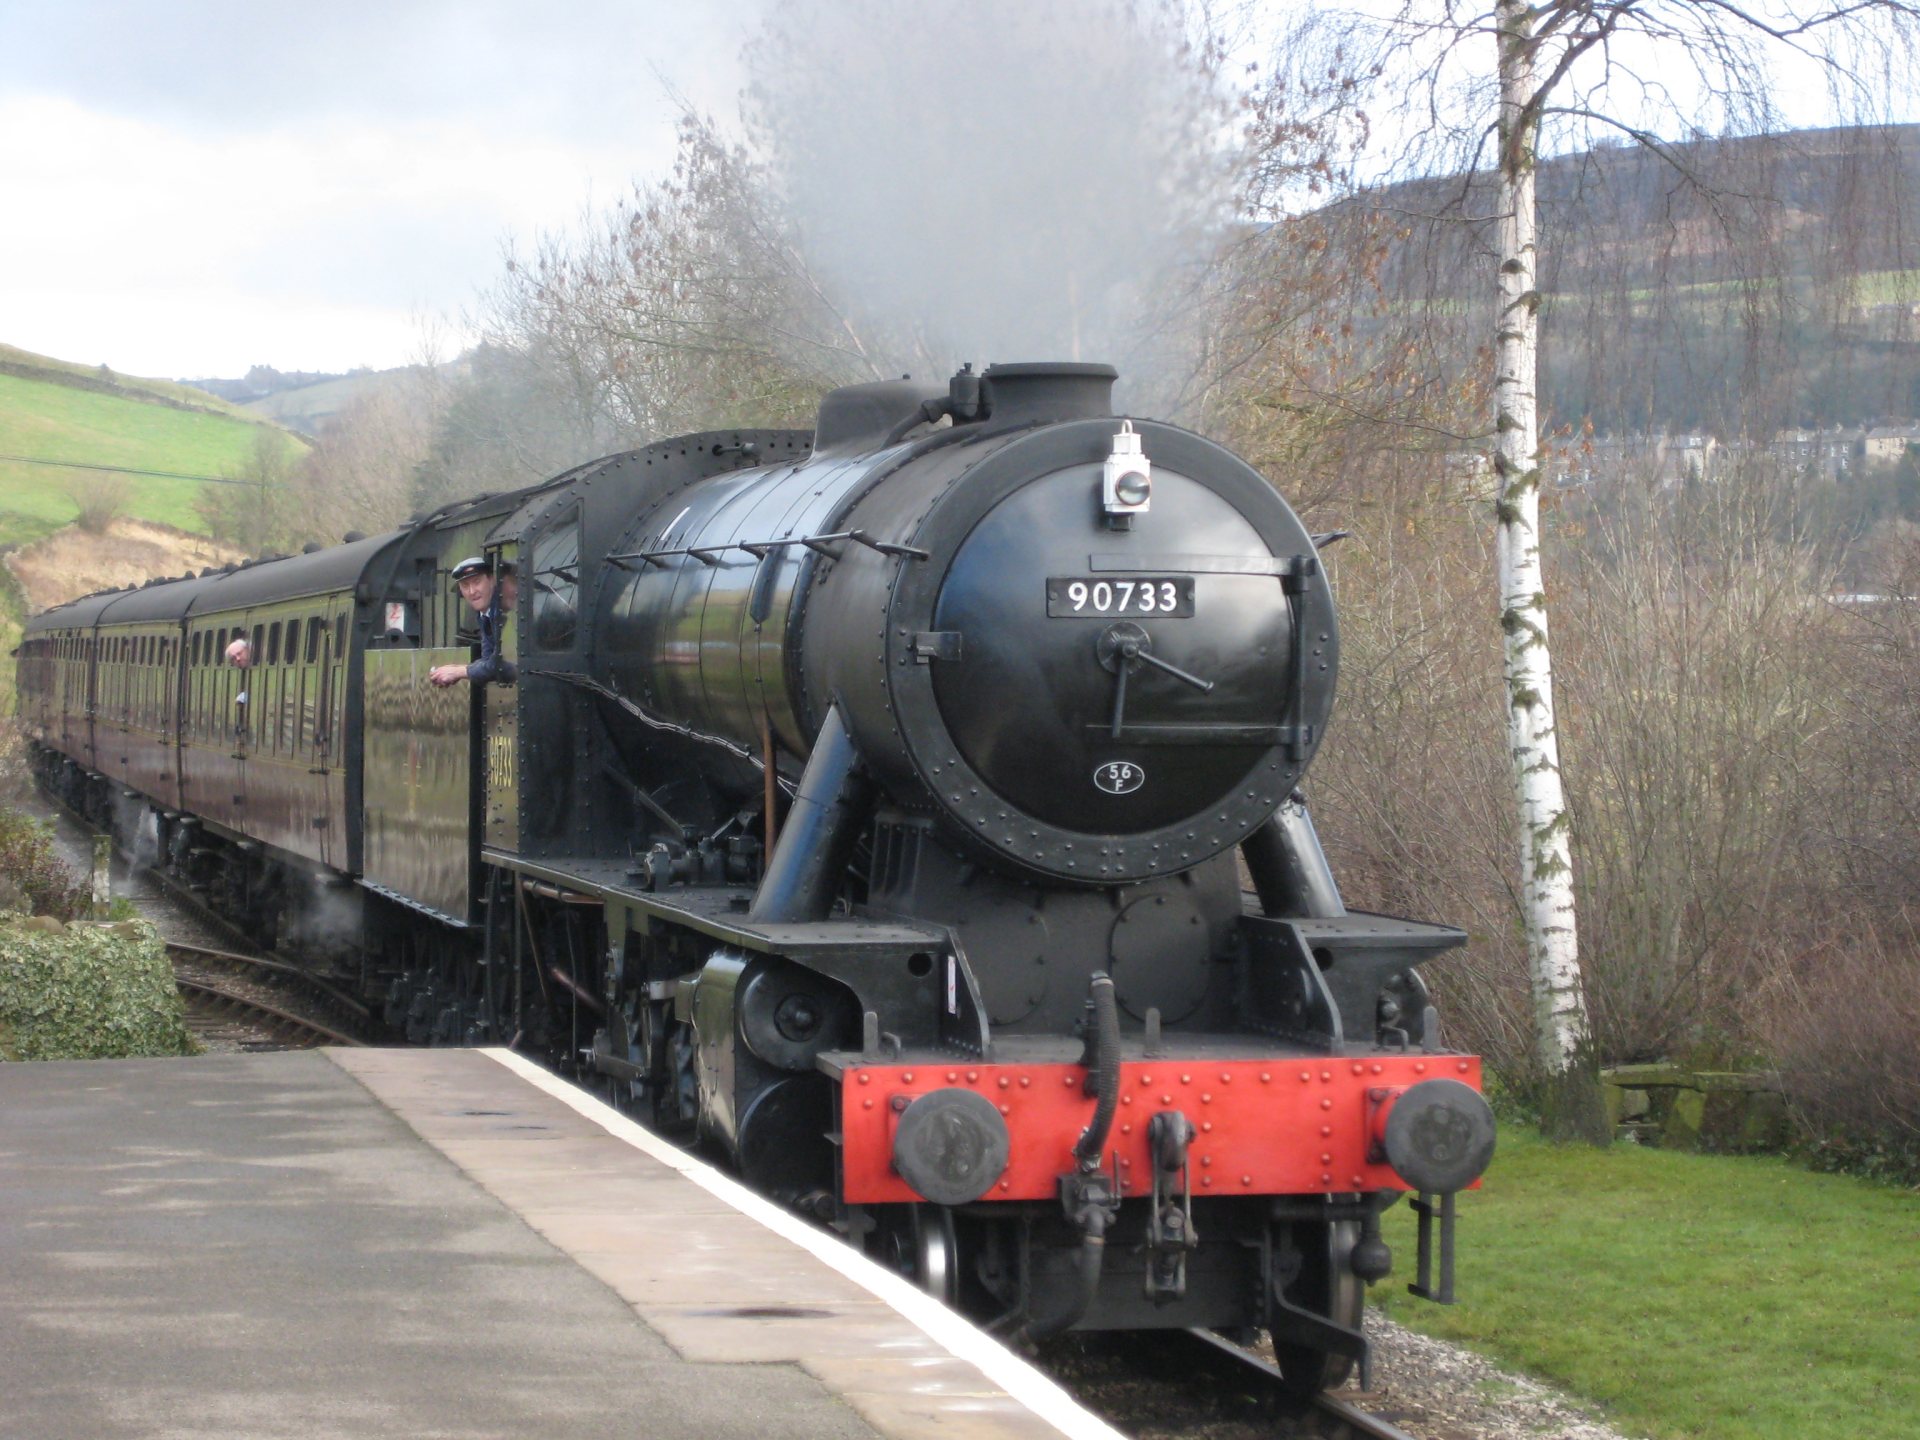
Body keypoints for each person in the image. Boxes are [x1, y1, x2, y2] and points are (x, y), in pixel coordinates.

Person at [430, 556, 519, 687]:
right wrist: (457, 669)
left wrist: (460, 671)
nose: (472, 591)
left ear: (491, 580)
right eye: (465, 585)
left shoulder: (503, 609)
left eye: (477, 582)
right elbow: (488, 659)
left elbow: (501, 664)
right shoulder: (485, 613)